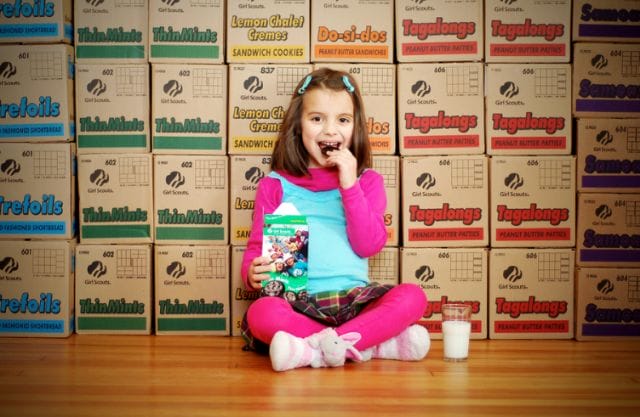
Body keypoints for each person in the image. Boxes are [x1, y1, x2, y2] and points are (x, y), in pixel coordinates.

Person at [241, 68, 430, 372]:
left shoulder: (367, 181)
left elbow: (368, 245)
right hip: (297, 304)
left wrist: (349, 185)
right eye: (316, 119)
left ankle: (311, 351)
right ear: (297, 126)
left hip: (356, 304)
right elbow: (255, 249)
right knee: (261, 313)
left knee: (413, 297)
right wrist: (251, 272)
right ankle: (372, 345)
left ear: (355, 128)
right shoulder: (275, 185)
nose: (330, 131)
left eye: (342, 120)